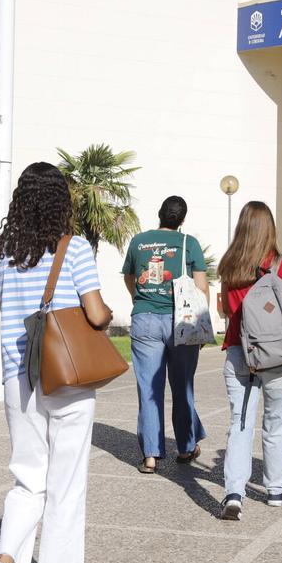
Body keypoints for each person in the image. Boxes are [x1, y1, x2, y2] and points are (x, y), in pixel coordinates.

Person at [0, 162, 112, 563]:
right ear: (60, 202)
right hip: (66, 378)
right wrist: (107, 313)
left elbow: (4, 305)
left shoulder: (1, 253)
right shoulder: (72, 250)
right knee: (65, 486)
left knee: (28, 479)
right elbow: (94, 314)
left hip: (19, 376)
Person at [215, 201, 282, 519]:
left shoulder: (229, 265)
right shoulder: (281, 265)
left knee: (240, 422)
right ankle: (275, 490)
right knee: (276, 422)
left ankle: (234, 492)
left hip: (239, 352)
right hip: (275, 356)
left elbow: (225, 310)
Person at [122, 195, 209, 474]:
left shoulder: (138, 241)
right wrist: (202, 326)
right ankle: (185, 447)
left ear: (160, 214)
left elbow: (129, 277)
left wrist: (142, 299)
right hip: (180, 321)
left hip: (145, 319)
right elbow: (201, 288)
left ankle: (150, 455)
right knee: (182, 386)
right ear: (182, 219)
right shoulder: (189, 243)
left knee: (149, 389)